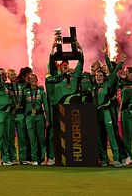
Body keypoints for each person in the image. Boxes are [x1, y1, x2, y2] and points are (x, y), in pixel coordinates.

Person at [45, 32, 85, 166]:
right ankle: (51, 157)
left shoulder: (75, 76)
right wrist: (52, 47)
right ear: (60, 67)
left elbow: (81, 62)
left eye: (67, 64)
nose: (66, 66)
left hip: (72, 110)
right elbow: (51, 64)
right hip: (57, 108)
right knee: (53, 134)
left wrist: (80, 48)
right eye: (63, 65)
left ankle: (70, 157)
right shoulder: (56, 78)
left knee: (71, 134)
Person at [93, 55, 124, 167]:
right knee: (100, 137)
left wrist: (120, 62)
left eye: (100, 75)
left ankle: (116, 158)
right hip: (97, 114)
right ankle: (104, 159)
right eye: (97, 75)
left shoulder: (108, 84)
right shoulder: (94, 88)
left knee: (111, 136)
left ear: (104, 76)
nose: (98, 77)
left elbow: (114, 72)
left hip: (106, 112)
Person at [23, 73, 50, 166]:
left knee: (41, 139)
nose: (33, 80)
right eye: (31, 79)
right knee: (32, 139)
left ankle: (42, 158)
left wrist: (47, 119)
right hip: (29, 117)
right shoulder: (25, 91)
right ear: (28, 81)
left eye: (35, 78)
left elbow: (46, 106)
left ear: (37, 79)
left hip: (39, 117)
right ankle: (34, 159)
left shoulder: (41, 91)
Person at [7, 68, 28, 165]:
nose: (13, 76)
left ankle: (23, 158)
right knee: (10, 137)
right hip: (11, 114)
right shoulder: (6, 87)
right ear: (8, 77)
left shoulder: (22, 86)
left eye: (14, 74)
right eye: (11, 75)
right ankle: (12, 158)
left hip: (20, 114)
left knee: (22, 137)